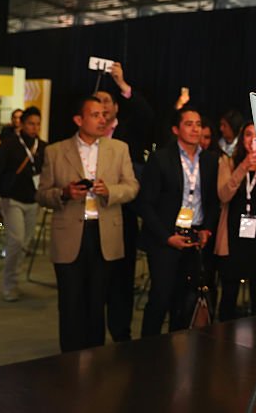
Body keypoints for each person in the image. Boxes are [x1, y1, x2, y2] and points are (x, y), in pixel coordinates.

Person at [36, 96, 139, 352]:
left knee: (98, 300)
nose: (102, 119)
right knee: (70, 301)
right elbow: (41, 194)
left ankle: (95, 358)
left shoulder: (119, 149)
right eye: (95, 115)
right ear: (78, 119)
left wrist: (110, 191)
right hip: (70, 233)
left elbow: (132, 187)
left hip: (105, 233)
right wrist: (64, 193)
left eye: (105, 114)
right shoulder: (55, 151)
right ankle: (69, 358)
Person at [135, 106, 221, 336]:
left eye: (198, 124)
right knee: (161, 298)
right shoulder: (161, 158)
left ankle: (177, 352)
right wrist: (166, 237)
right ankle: (146, 350)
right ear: (176, 129)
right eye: (189, 124)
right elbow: (145, 203)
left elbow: (213, 201)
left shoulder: (211, 160)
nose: (195, 129)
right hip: (166, 237)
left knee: (185, 301)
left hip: (195, 237)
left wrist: (207, 230)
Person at [95, 61, 154, 343]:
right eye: (97, 104)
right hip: (91, 218)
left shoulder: (128, 131)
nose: (103, 109)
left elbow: (145, 114)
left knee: (121, 278)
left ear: (117, 108)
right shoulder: (83, 140)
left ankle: (121, 333)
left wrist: (121, 84)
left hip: (123, 213)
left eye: (108, 102)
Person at [216, 122, 256, 321]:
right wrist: (244, 167)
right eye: (248, 135)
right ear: (242, 139)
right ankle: (223, 343)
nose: (252, 140)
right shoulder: (227, 162)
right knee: (228, 296)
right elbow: (223, 195)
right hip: (232, 236)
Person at [0, 106, 46, 302]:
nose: (34, 127)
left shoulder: (44, 147)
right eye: (31, 123)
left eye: (38, 124)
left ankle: (15, 281)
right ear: (22, 124)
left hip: (34, 201)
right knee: (16, 241)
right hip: (11, 199)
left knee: (24, 244)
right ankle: (9, 285)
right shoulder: (9, 144)